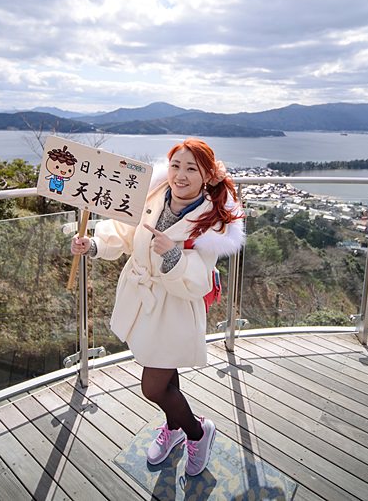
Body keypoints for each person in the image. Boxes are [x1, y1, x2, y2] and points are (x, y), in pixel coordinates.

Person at [71, 138, 245, 475]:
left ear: (207, 175)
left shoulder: (210, 222)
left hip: (175, 308)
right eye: (176, 166)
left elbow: (201, 281)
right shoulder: (151, 194)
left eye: (191, 169)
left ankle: (197, 431)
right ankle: (175, 428)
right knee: (165, 379)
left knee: (152, 386)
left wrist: (173, 254)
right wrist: (92, 244)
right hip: (142, 300)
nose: (181, 175)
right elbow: (123, 233)